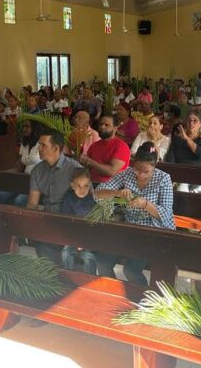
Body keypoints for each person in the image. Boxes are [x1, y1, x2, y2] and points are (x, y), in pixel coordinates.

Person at [94, 142, 175, 284]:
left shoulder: (163, 178)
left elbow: (166, 214)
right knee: (102, 263)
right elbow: (98, 193)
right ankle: (114, 292)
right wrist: (117, 192)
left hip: (153, 233)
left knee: (131, 269)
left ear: (154, 166)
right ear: (133, 163)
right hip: (130, 230)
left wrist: (145, 204)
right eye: (138, 169)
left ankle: (140, 296)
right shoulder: (127, 174)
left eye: (146, 171)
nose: (141, 174)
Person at [27, 130, 83, 264]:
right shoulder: (37, 171)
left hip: (71, 224)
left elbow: (86, 203)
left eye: (43, 145)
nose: (39, 148)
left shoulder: (75, 170)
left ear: (56, 148)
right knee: (43, 250)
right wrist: (29, 226)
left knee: (68, 260)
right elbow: (32, 204)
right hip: (48, 222)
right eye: (39, 144)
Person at [60, 168, 97, 275]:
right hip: (72, 236)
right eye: (78, 186)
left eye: (86, 186)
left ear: (90, 185)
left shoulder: (93, 200)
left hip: (89, 237)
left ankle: (90, 279)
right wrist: (74, 240)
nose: (82, 189)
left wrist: (83, 241)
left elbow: (94, 225)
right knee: (66, 252)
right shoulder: (69, 197)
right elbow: (66, 220)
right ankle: (69, 278)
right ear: (72, 186)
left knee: (87, 256)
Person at [80, 114, 130, 185]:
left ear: (115, 128)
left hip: (111, 187)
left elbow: (112, 171)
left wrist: (89, 161)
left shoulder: (121, 146)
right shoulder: (94, 145)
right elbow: (88, 168)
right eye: (101, 124)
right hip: (91, 183)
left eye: (107, 125)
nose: (102, 127)